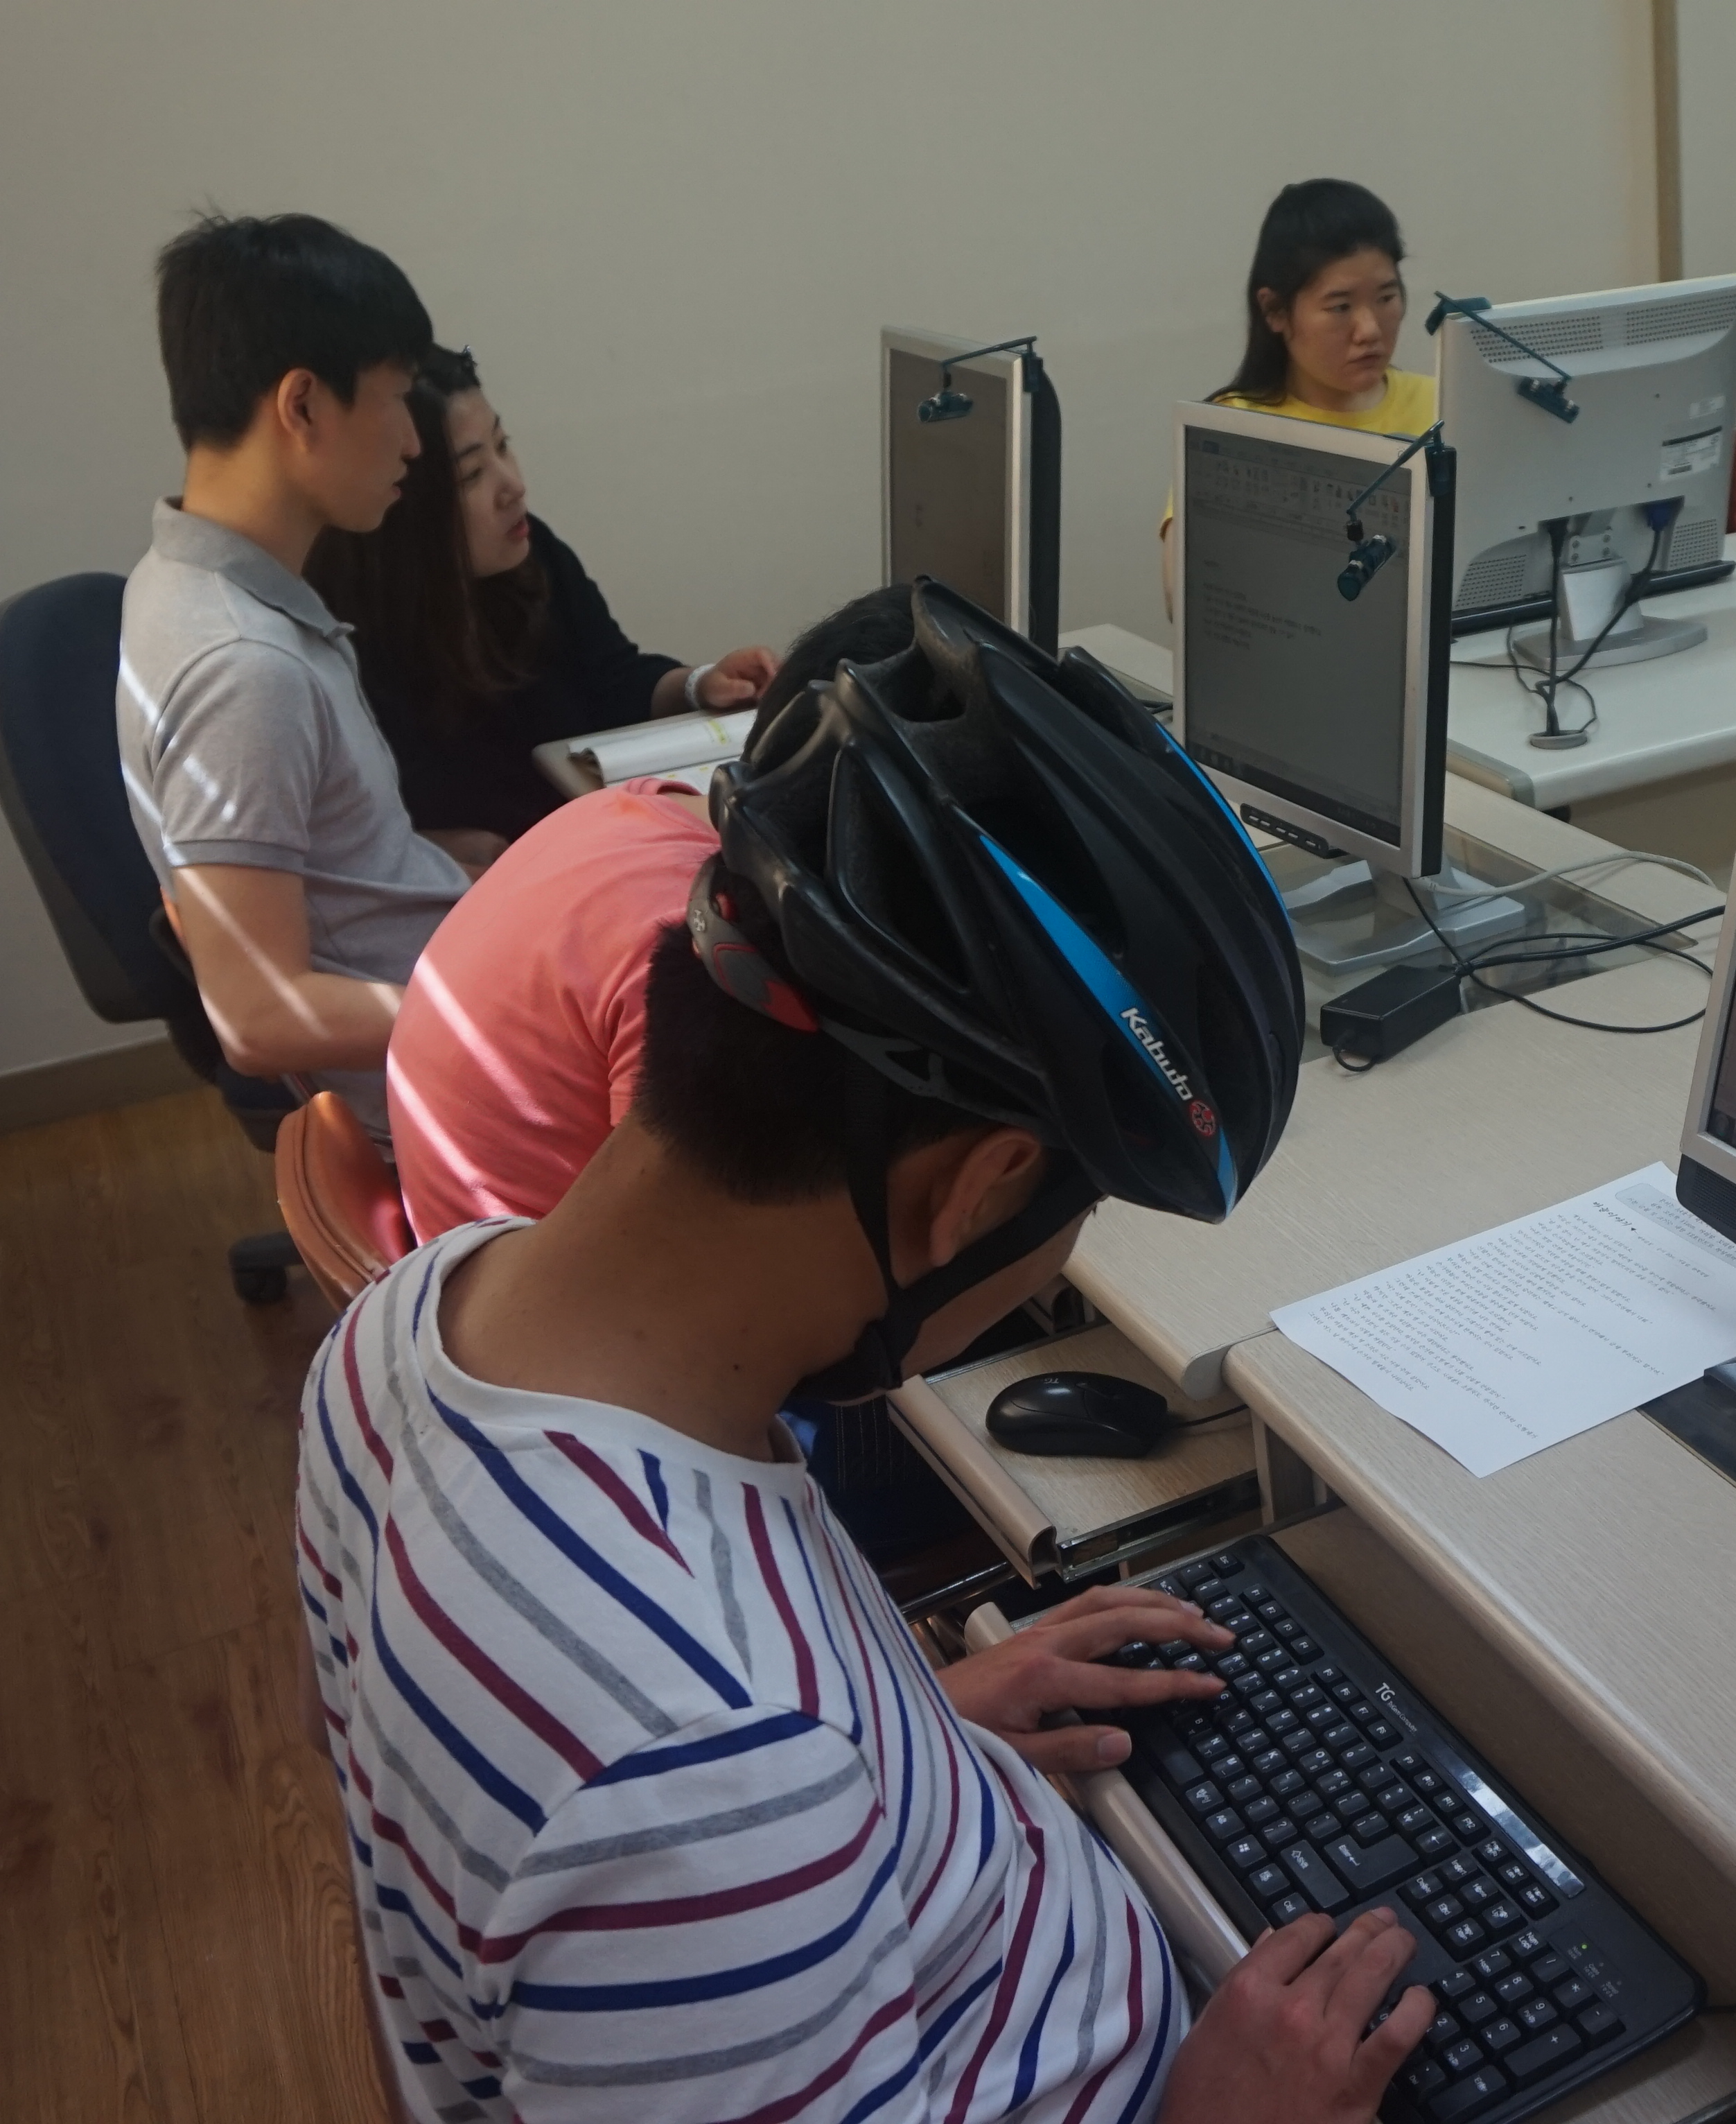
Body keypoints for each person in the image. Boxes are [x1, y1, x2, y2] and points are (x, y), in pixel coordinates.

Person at [299, 578, 1427, 2123]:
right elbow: (679, 1800)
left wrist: (909, 1754)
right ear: (981, 1184)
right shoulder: (700, 1780)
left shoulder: (400, 1333)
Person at [380, 584, 910, 1242]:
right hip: (533, 1279)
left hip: (461, 1230)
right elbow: (679, 1238)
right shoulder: (698, 948)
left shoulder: (632, 805)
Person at [117, 211, 462, 1130]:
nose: (414, 441)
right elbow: (259, 1018)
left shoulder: (179, 579)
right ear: (303, 405)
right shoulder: (243, 670)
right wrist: (504, 1008)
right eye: (397, 398)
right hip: (446, 1088)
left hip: (445, 991)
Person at [306, 345, 780, 862]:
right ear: (401, 497)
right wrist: (430, 854)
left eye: (503, 446)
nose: (513, 486)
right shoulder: (347, 638)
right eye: (471, 475)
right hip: (497, 884)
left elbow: (612, 679)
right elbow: (347, 837)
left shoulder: (531, 553)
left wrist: (700, 685)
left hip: (594, 846)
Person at [1165, 179, 1430, 616]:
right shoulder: (1232, 429)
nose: (1369, 330)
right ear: (1275, 311)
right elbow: (1188, 602)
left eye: (1386, 297)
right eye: (1340, 307)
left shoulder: (1444, 406)